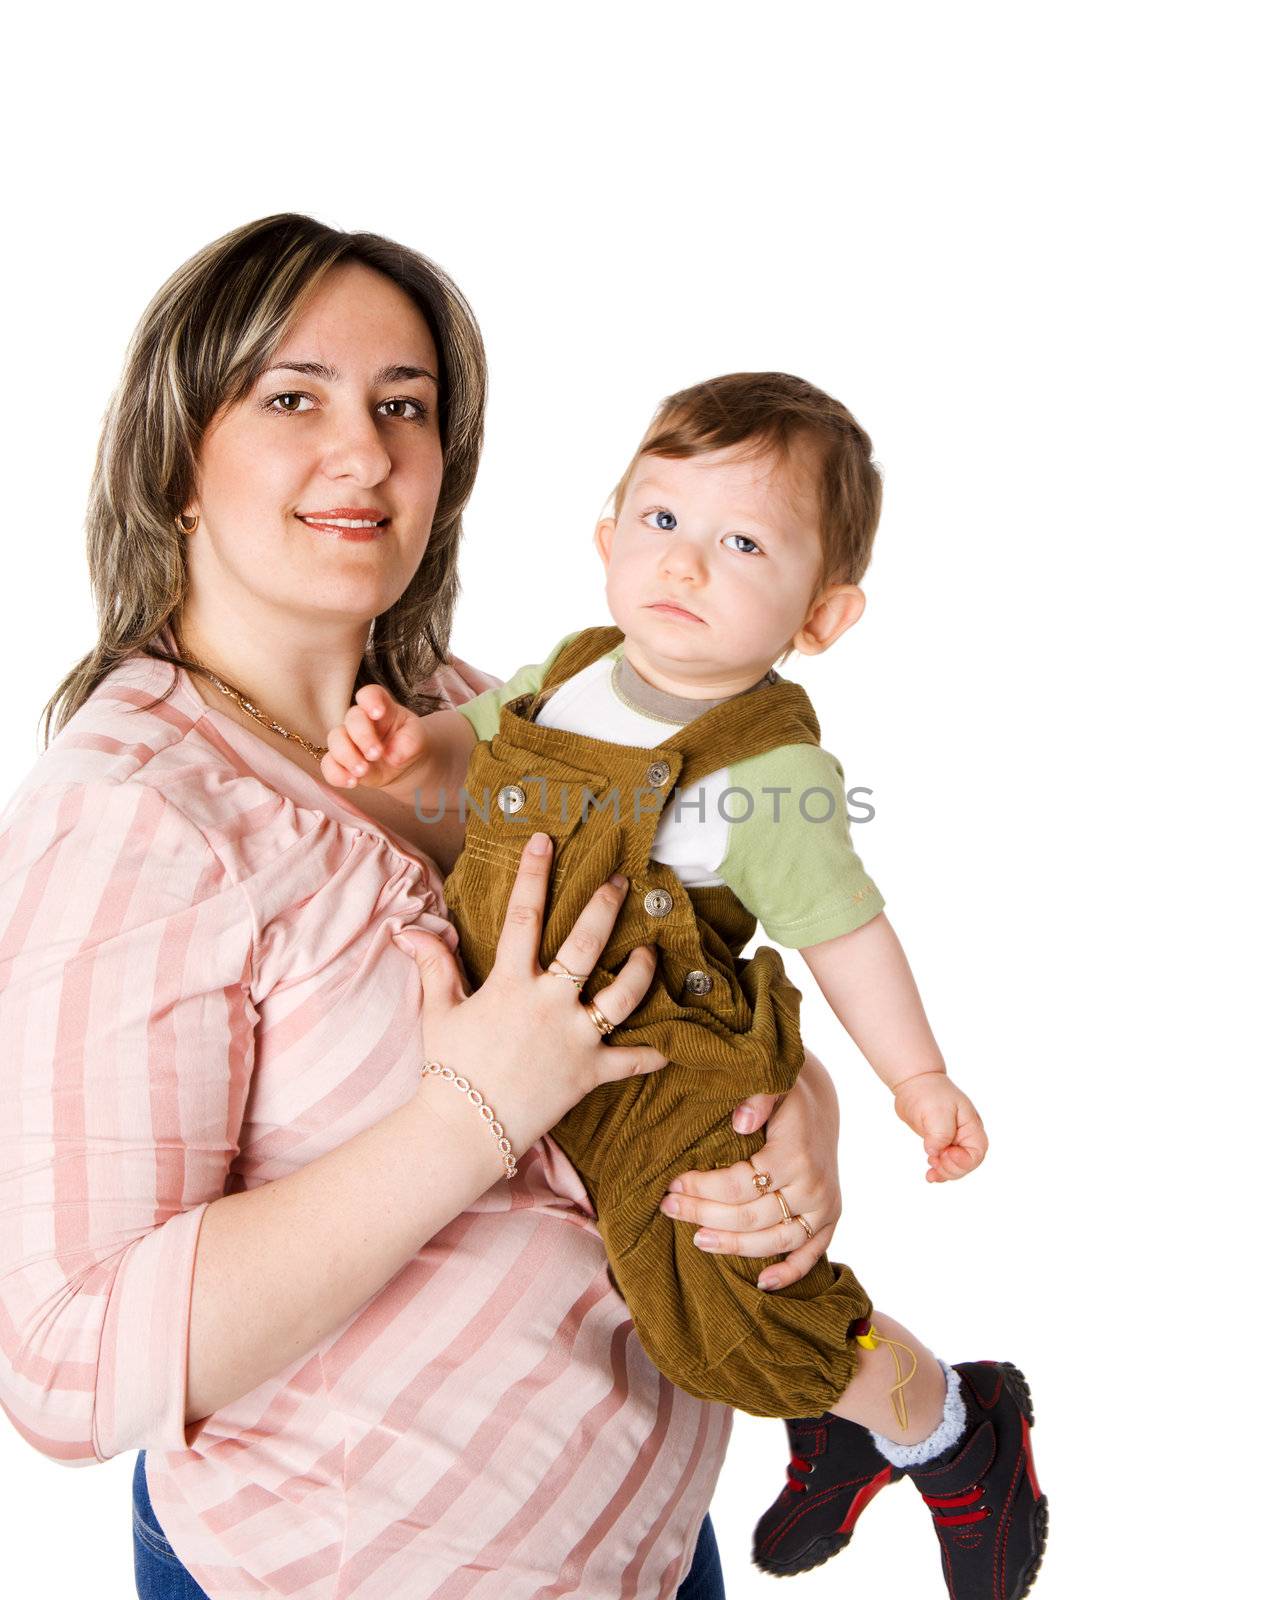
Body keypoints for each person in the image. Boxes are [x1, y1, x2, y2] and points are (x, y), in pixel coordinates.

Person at [0, 214, 854, 1600]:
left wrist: (796, 1118)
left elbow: (677, 980)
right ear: (176, 464)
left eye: (405, 405)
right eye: (293, 398)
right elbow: (64, 1367)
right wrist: (466, 1117)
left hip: (649, 1553)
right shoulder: (133, 816)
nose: (368, 451)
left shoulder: (495, 716)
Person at [317, 375, 1051, 1596]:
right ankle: (834, 1429)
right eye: (660, 522)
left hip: (667, 1068)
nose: (686, 565)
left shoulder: (775, 772)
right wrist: (408, 756)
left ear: (822, 614)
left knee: (720, 1315)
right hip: (537, 1051)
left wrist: (913, 1078)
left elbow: (847, 934)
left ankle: (949, 1423)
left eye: (742, 542)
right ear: (607, 540)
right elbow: (471, 751)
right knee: (681, 1303)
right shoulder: (571, 671)